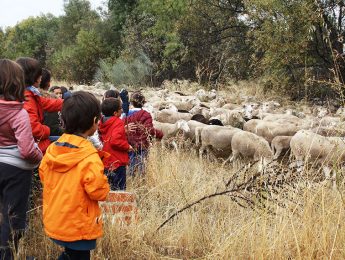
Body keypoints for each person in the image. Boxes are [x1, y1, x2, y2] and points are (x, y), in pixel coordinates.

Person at [39, 91, 110, 260]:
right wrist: (105, 182)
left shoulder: (52, 149)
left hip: (57, 218)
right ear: (94, 121)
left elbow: (43, 174)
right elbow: (98, 192)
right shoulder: (89, 157)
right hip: (79, 225)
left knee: (70, 255)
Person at [0, 59, 43, 260]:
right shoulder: (19, 113)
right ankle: (8, 255)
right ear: (17, 83)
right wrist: (39, 155)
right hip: (16, 171)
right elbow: (26, 150)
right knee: (13, 219)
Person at [16, 57, 63, 154]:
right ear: (33, 77)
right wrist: (47, 130)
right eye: (39, 74)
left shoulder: (29, 93)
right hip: (35, 146)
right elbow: (33, 128)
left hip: (35, 141)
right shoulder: (27, 97)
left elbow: (47, 103)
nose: (41, 77)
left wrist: (69, 102)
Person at [124, 91, 163, 176]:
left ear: (131, 102)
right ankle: (141, 179)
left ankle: (130, 178)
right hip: (142, 145)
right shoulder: (146, 114)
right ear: (144, 103)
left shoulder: (126, 114)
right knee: (142, 163)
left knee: (130, 161)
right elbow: (149, 129)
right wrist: (160, 134)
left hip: (129, 144)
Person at [99, 98, 132, 190]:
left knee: (108, 189)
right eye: (120, 108)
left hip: (106, 161)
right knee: (119, 190)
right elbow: (115, 141)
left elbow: (107, 137)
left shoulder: (102, 122)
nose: (122, 110)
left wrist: (123, 132)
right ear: (115, 113)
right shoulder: (117, 122)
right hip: (117, 161)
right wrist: (127, 146)